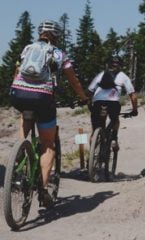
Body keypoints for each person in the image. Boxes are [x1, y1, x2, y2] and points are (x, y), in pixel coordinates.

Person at [10, 20, 88, 207]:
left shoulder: (27, 48)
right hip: (42, 97)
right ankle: (43, 189)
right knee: (48, 144)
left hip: (18, 93)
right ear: (57, 36)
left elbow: (17, 71)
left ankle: (20, 150)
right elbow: (73, 80)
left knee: (25, 115)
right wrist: (83, 97)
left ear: (40, 33)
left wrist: (18, 90)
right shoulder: (60, 54)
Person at [88, 56, 138, 150]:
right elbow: (133, 96)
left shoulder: (101, 74)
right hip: (113, 103)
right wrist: (134, 110)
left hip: (98, 102)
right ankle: (114, 139)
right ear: (121, 66)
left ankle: (91, 154)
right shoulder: (123, 76)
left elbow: (90, 91)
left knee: (95, 129)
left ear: (108, 65)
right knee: (115, 120)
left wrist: (90, 105)